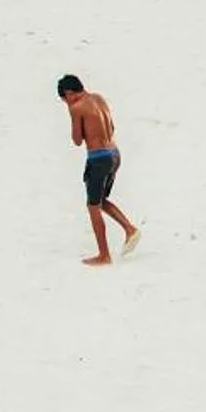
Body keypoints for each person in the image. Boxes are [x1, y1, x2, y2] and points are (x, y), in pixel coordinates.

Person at [57, 74, 140, 268]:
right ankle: (130, 229)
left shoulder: (76, 107)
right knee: (100, 200)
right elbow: (111, 127)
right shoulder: (98, 98)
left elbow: (77, 140)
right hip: (114, 153)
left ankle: (104, 255)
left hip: (98, 158)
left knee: (93, 206)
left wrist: (72, 111)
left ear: (69, 94)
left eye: (64, 100)